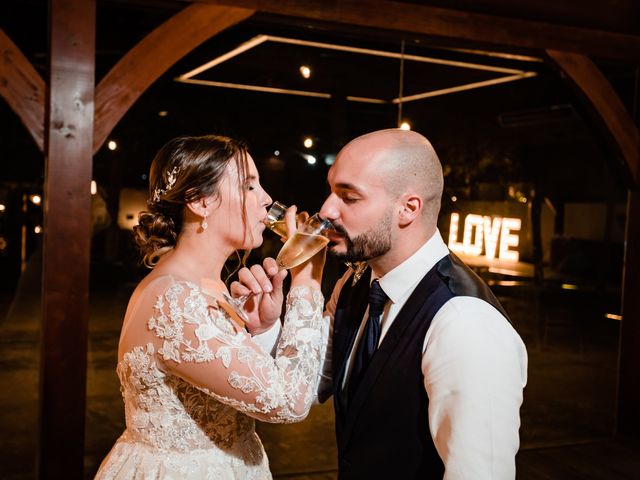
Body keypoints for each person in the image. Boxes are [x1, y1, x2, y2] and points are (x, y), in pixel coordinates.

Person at [233, 128, 528, 479]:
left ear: (408, 208)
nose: (327, 208)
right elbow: (308, 385)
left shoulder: (465, 322)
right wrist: (267, 329)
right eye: (331, 191)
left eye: (350, 197)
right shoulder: (354, 283)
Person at [94, 134, 328, 479]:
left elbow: (247, 387)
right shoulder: (174, 301)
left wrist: (261, 329)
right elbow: (289, 402)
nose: (266, 199)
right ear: (200, 201)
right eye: (249, 187)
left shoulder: (205, 287)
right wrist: (307, 280)